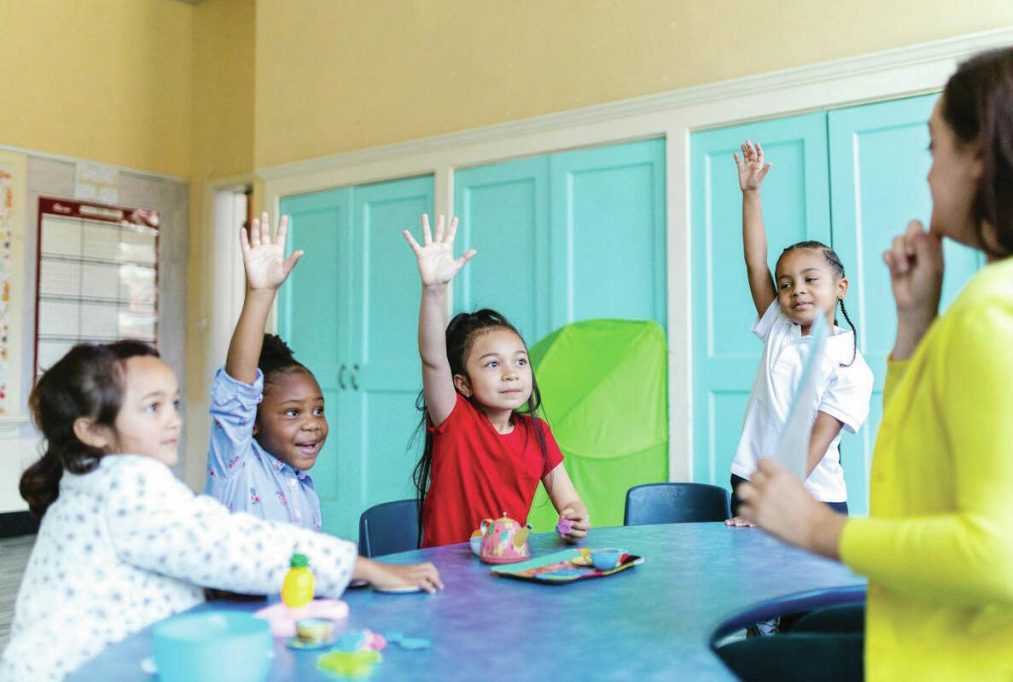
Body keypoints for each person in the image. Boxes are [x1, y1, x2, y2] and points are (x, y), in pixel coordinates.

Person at [730, 44, 1013, 681]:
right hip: (934, 620)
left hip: (957, 657)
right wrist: (916, 321)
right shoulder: (994, 304)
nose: (928, 174)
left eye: (933, 149)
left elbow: (1005, 556)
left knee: (732, 663)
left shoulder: (996, 313)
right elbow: (924, 456)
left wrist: (819, 530)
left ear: (979, 159)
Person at [0, 341, 442, 682]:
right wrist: (358, 566)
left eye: (173, 403)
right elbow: (231, 545)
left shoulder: (96, 482)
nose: (173, 419)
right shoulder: (124, 485)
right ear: (93, 431)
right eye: (152, 407)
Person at [402, 214, 590, 547]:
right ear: (462, 384)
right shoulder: (455, 420)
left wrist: (574, 517)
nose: (511, 373)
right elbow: (433, 358)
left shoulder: (538, 433)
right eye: (492, 364)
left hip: (508, 568)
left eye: (520, 361)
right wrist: (433, 291)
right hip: (446, 571)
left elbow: (570, 502)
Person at [726, 141, 873, 525]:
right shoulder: (779, 326)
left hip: (812, 498)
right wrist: (751, 194)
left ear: (841, 287)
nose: (797, 291)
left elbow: (817, 440)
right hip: (751, 482)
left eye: (811, 279)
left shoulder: (851, 365)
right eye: (786, 284)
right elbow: (755, 262)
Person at [205, 212, 326, 530]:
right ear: (253, 422)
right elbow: (238, 392)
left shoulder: (303, 486)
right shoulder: (235, 465)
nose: (312, 423)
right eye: (292, 413)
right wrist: (260, 295)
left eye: (318, 410)